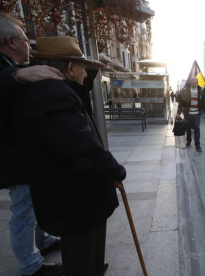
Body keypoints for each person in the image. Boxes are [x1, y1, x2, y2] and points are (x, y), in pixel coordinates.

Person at [12, 36, 126, 276]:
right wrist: (115, 170)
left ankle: (92, 267)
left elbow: (80, 95)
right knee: (81, 258)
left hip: (74, 195)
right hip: (75, 198)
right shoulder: (53, 95)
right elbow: (81, 145)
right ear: (71, 67)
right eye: (83, 68)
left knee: (89, 253)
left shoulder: (52, 90)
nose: (85, 73)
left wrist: (91, 70)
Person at [0, 13, 66, 276]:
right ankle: (30, 266)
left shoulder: (13, 69)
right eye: (26, 39)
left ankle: (45, 241)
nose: (30, 45)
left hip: (27, 154)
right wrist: (18, 75)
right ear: (11, 41)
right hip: (14, 157)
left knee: (35, 203)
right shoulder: (10, 72)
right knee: (24, 211)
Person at [177, 77, 204, 152]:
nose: (194, 84)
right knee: (187, 128)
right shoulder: (185, 91)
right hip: (188, 114)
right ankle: (188, 140)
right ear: (190, 83)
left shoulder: (200, 90)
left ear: (197, 83)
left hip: (196, 114)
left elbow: (203, 102)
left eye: (195, 83)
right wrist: (178, 113)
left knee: (197, 129)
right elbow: (181, 103)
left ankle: (197, 145)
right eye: (193, 83)